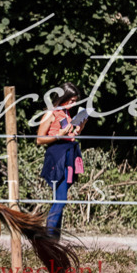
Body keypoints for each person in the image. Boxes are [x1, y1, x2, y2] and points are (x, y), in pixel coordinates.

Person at [37, 82, 86, 239]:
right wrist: (59, 135)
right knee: (61, 199)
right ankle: (49, 238)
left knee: (61, 199)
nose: (73, 103)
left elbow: (69, 135)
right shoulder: (51, 113)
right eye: (71, 100)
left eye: (75, 101)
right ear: (63, 98)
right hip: (57, 157)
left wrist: (79, 127)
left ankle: (54, 238)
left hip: (68, 155)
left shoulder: (66, 113)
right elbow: (39, 139)